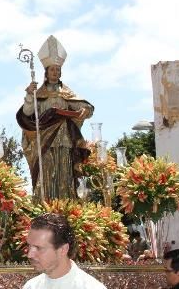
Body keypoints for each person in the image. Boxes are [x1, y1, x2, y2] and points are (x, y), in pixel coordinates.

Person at [16, 35, 93, 202]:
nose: (55, 72)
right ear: (46, 72)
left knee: (65, 175)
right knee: (46, 177)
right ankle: (45, 208)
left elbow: (84, 107)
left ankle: (66, 208)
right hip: (44, 142)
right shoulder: (39, 94)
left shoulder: (67, 93)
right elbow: (28, 114)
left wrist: (84, 111)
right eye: (52, 69)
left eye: (57, 70)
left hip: (65, 141)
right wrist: (29, 94)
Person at [23, 213, 105, 289]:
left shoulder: (91, 287)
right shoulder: (31, 286)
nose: (30, 255)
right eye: (29, 246)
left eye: (39, 248)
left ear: (63, 250)